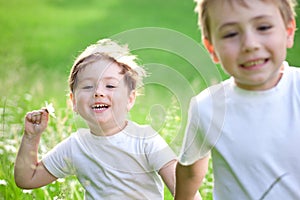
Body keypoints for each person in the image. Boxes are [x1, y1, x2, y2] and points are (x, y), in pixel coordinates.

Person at [14, 39, 177, 199]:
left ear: (130, 99)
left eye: (111, 86)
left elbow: (184, 190)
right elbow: (27, 179)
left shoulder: (145, 140)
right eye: (87, 86)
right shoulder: (76, 146)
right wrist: (31, 137)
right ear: (74, 102)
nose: (98, 92)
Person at [175, 0, 300, 199]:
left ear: (288, 31)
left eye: (263, 27)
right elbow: (190, 171)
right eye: (230, 34)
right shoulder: (207, 108)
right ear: (211, 48)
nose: (250, 44)